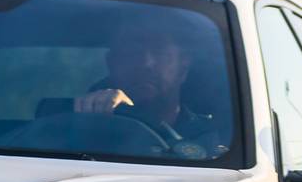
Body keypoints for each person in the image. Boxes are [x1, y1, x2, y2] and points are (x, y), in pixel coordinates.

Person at [74, 17, 214, 141]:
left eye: (160, 52)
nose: (146, 63)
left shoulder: (212, 137)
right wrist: (93, 120)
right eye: (132, 52)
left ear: (182, 68)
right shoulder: (77, 130)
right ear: (111, 63)